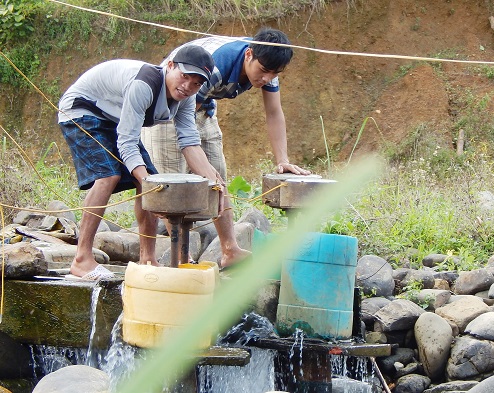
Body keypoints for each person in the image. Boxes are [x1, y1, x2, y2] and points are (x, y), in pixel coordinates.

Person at [141, 28, 311, 269]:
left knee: (217, 176)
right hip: (168, 109)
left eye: (273, 74)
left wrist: (282, 159)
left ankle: (230, 249)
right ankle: (182, 256)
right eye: (262, 71)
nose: (265, 78)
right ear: (249, 54)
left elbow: (274, 113)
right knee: (170, 185)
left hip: (202, 107)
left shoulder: (269, 68)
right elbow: (183, 111)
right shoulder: (217, 65)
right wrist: (195, 161)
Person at [58, 46, 221, 280]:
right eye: (185, 77)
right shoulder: (144, 84)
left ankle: (148, 258)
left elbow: (189, 142)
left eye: (196, 83)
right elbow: (127, 142)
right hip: (81, 109)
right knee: (109, 176)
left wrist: (214, 181)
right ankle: (82, 259)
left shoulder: (187, 97)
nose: (187, 86)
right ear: (171, 65)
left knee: (151, 184)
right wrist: (147, 183)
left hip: (114, 118)